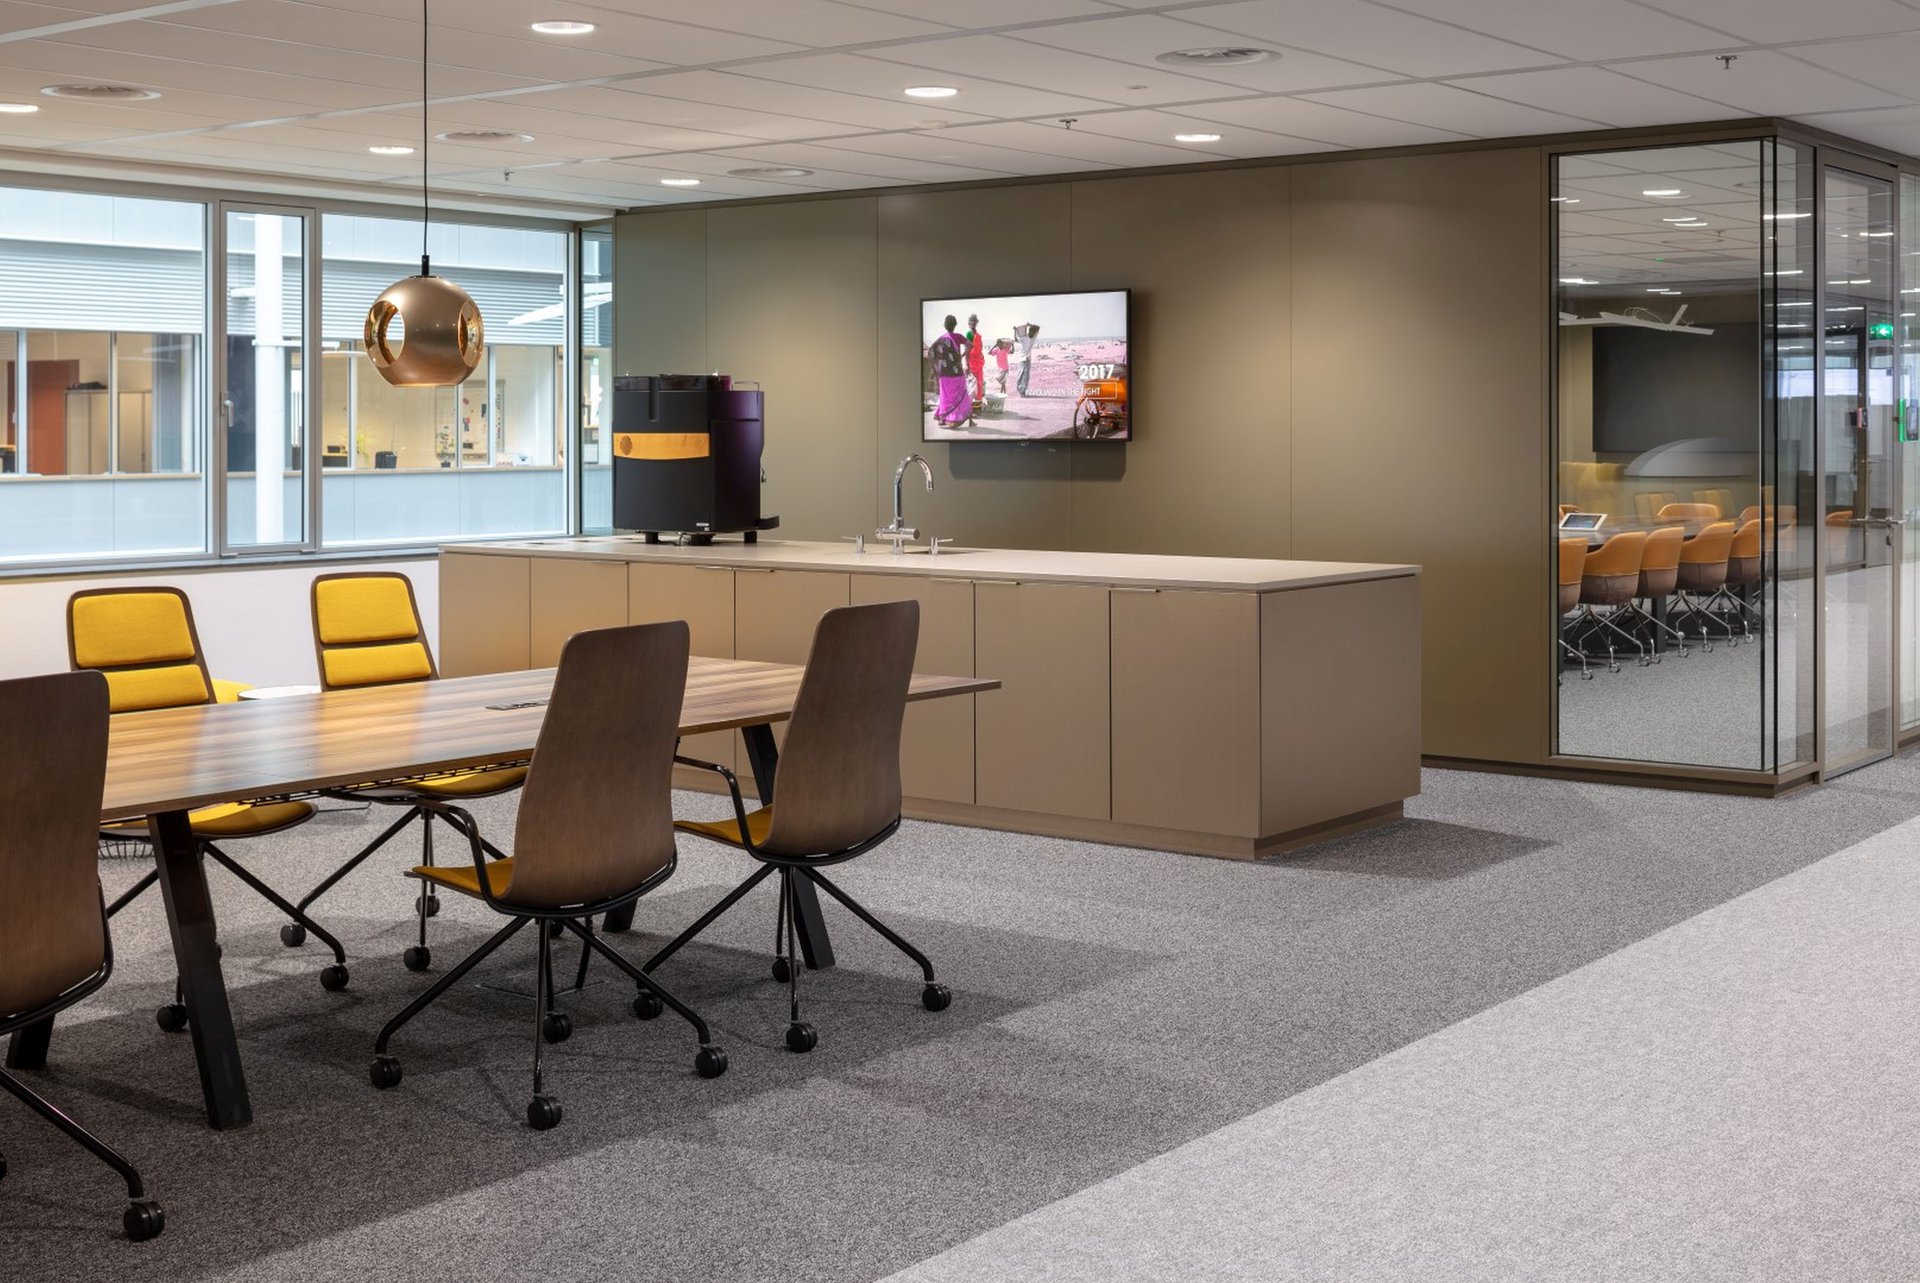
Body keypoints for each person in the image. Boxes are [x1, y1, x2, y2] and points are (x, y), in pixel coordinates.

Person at [928, 314, 970, 426]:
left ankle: (942, 419)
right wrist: (962, 355)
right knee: (962, 394)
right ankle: (963, 420)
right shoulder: (958, 336)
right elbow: (970, 345)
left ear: (944, 326)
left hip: (944, 373)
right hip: (957, 373)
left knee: (945, 397)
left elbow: (931, 352)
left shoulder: (941, 339)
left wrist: (936, 368)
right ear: (955, 325)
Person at [965, 313, 987, 416]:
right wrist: (966, 366)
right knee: (972, 387)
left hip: (979, 363)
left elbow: (979, 349)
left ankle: (977, 408)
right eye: (971, 322)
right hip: (972, 364)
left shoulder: (978, 335)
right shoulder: (969, 334)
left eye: (974, 322)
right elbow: (967, 350)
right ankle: (971, 409)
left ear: (977, 323)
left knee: (979, 385)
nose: (973, 324)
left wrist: (982, 357)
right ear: (969, 324)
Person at [1013, 323, 1037, 397]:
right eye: (1032, 332)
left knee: (1026, 376)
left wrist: (1029, 324)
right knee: (1021, 374)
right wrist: (1015, 331)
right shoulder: (1024, 338)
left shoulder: (1033, 338)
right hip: (1023, 358)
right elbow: (1016, 339)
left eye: (1034, 333)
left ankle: (1023, 391)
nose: (1033, 334)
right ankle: (1020, 390)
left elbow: (1037, 327)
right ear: (1029, 332)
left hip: (1027, 358)